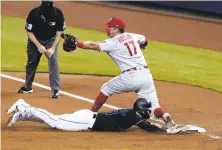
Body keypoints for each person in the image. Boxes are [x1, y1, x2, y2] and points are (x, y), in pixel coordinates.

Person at [64, 17, 178, 128]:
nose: (107, 29)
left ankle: (90, 115)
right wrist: (141, 46)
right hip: (146, 75)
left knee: (105, 89)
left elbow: (93, 45)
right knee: (154, 106)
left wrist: (78, 44)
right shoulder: (133, 36)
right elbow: (144, 40)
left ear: (116, 29)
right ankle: (167, 119)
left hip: (131, 76)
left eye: (110, 27)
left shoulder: (113, 42)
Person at [6, 98, 184, 134]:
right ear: (142, 110)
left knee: (55, 122)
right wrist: (167, 130)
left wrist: (164, 121)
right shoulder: (134, 117)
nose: (148, 111)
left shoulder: (132, 114)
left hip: (87, 117)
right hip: (86, 121)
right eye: (147, 109)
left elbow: (147, 121)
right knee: (55, 121)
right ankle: (24, 105)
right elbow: (149, 127)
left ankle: (23, 115)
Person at [17, 0, 66, 98]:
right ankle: (28, 87)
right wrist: (39, 46)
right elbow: (29, 32)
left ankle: (55, 90)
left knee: (53, 61)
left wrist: (52, 48)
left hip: (51, 40)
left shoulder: (58, 13)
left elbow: (59, 32)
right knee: (31, 63)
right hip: (34, 40)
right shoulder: (34, 13)